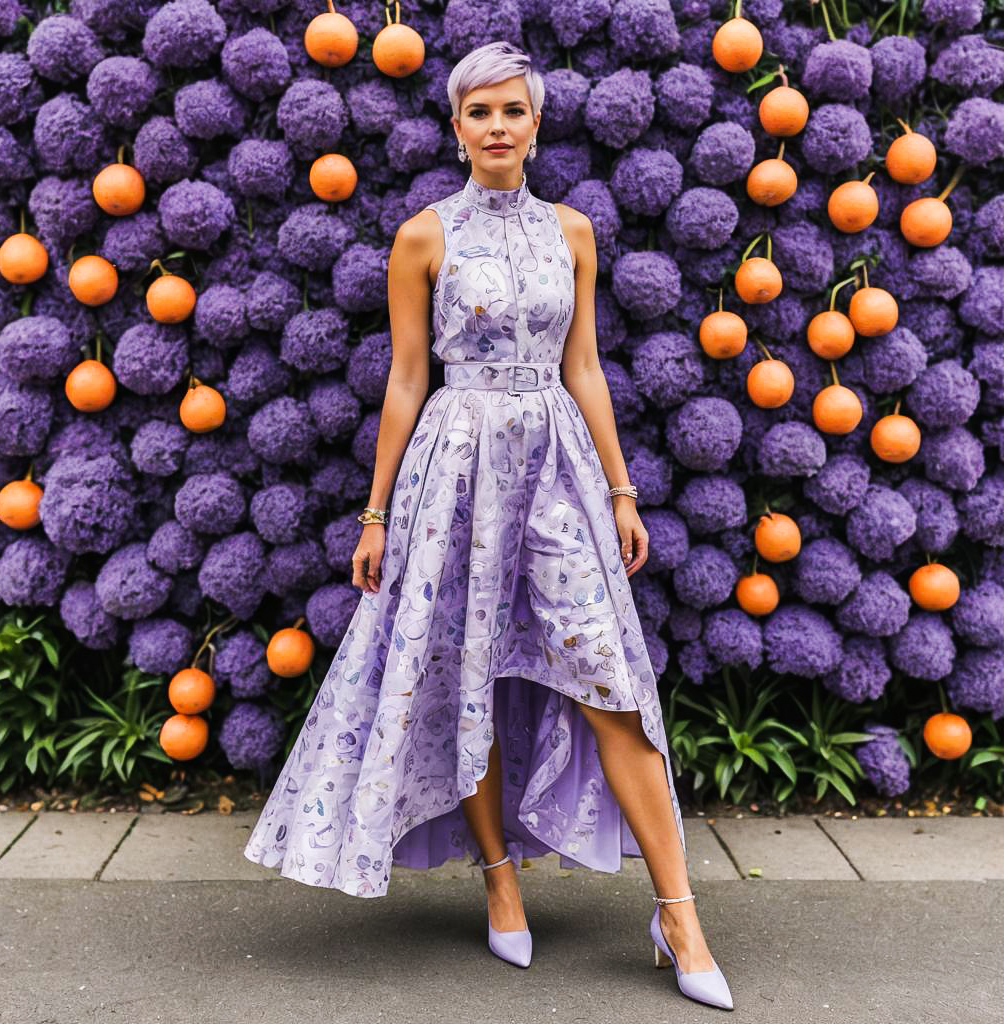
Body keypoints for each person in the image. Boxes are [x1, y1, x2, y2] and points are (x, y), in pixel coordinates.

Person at [243, 39, 733, 1011]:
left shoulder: (573, 233)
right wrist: (376, 510)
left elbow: (583, 366)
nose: (498, 126)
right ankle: (498, 874)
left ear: (535, 122)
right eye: (480, 112)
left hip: (555, 470)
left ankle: (678, 913)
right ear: (457, 126)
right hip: (455, 467)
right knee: (467, 665)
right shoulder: (424, 235)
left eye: (513, 110)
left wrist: (622, 489)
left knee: (609, 679)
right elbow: (405, 378)